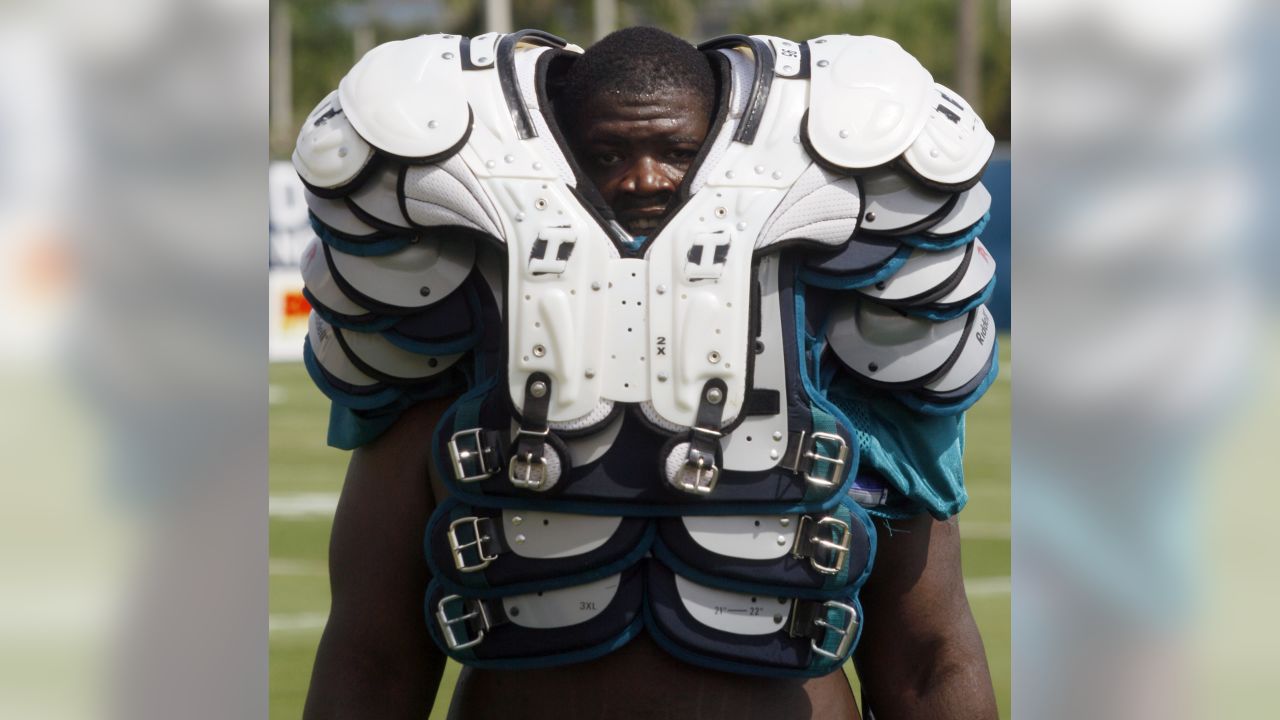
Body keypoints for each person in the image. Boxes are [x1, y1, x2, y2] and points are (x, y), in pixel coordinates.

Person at [296, 26, 999, 720]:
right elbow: (373, 650)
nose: (643, 179)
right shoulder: (445, 319)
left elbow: (928, 654)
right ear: (561, 157)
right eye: (607, 153)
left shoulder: (851, 328)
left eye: (675, 152)